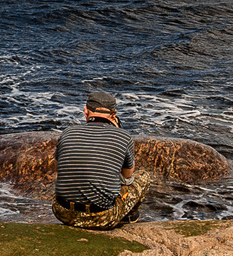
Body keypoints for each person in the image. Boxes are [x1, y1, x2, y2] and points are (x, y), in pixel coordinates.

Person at [51, 90, 155, 228]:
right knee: (143, 176)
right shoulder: (123, 137)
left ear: (86, 111)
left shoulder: (68, 132)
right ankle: (128, 216)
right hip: (102, 217)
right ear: (113, 115)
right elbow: (128, 177)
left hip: (62, 212)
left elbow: (60, 166)